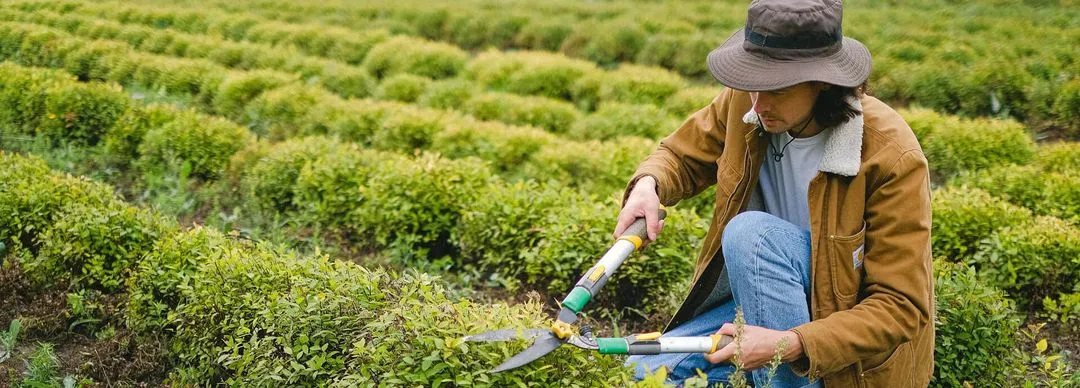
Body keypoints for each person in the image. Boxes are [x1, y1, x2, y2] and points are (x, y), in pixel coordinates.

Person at [613, 0, 934, 387]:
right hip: (763, 298)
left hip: (841, 334)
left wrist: (789, 343)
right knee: (641, 373)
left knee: (753, 235)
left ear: (823, 82)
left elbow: (900, 307)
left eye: (777, 89)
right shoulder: (746, 104)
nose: (759, 103)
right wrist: (649, 184)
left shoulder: (891, 155)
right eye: (753, 84)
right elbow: (681, 155)